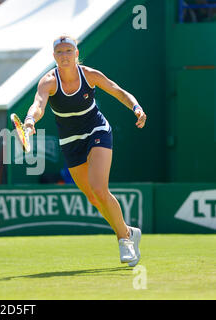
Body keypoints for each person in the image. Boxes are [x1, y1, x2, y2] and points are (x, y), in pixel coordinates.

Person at [23, 35, 147, 267]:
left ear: (77, 53)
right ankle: (128, 230)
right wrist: (30, 120)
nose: (65, 56)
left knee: (100, 189)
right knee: (92, 196)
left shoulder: (90, 75)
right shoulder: (48, 81)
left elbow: (117, 90)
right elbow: (38, 105)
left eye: (69, 51)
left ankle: (124, 239)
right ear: (54, 57)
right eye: (60, 52)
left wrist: (136, 107)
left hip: (96, 130)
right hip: (70, 141)